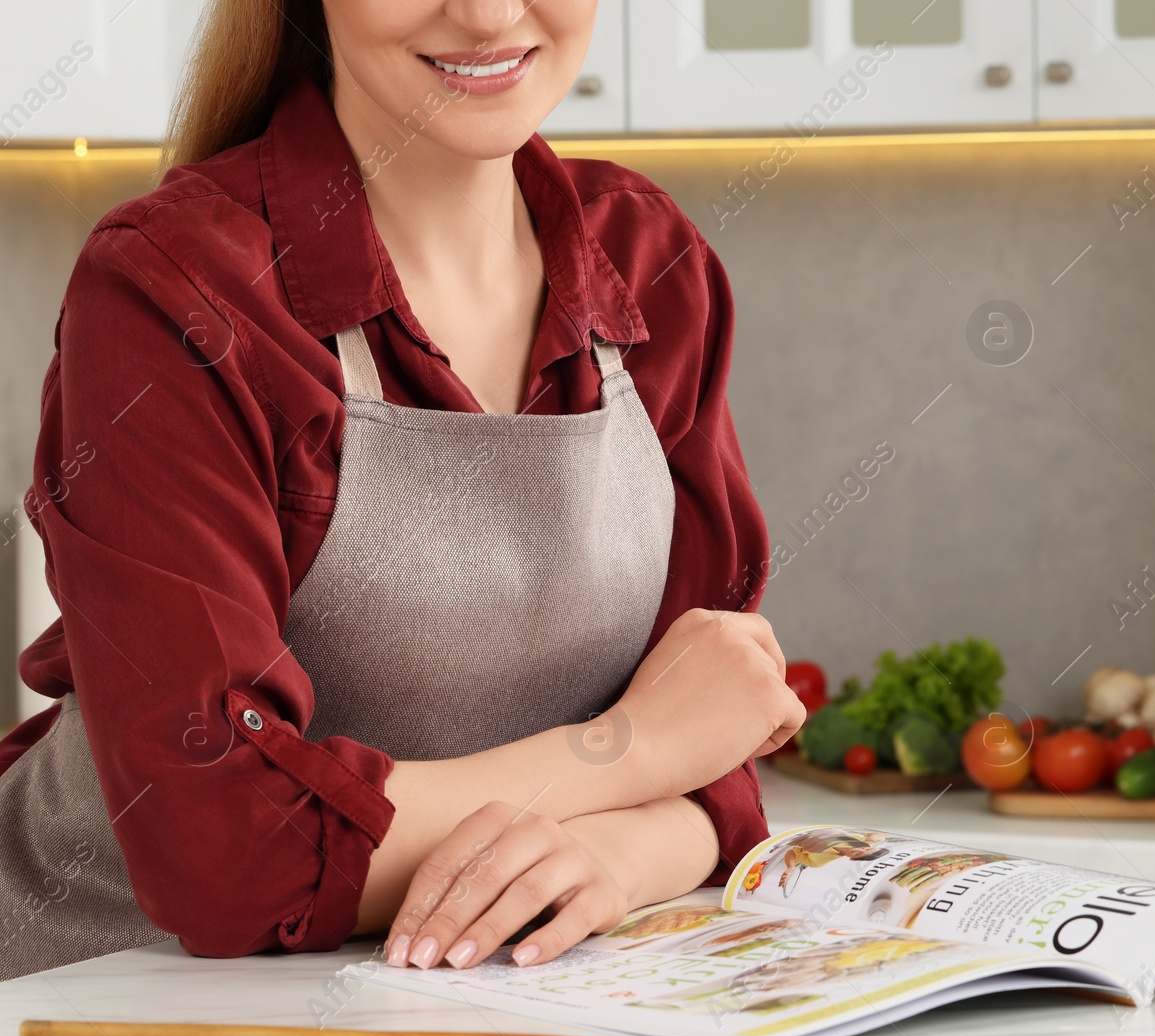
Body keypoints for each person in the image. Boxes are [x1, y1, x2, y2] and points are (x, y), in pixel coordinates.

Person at [0, 0, 804, 981]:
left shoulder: (647, 260)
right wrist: (623, 752)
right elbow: (222, 853)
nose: (487, 12)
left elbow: (722, 734)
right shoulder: (176, 290)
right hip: (101, 998)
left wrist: (617, 854)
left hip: (463, 999)